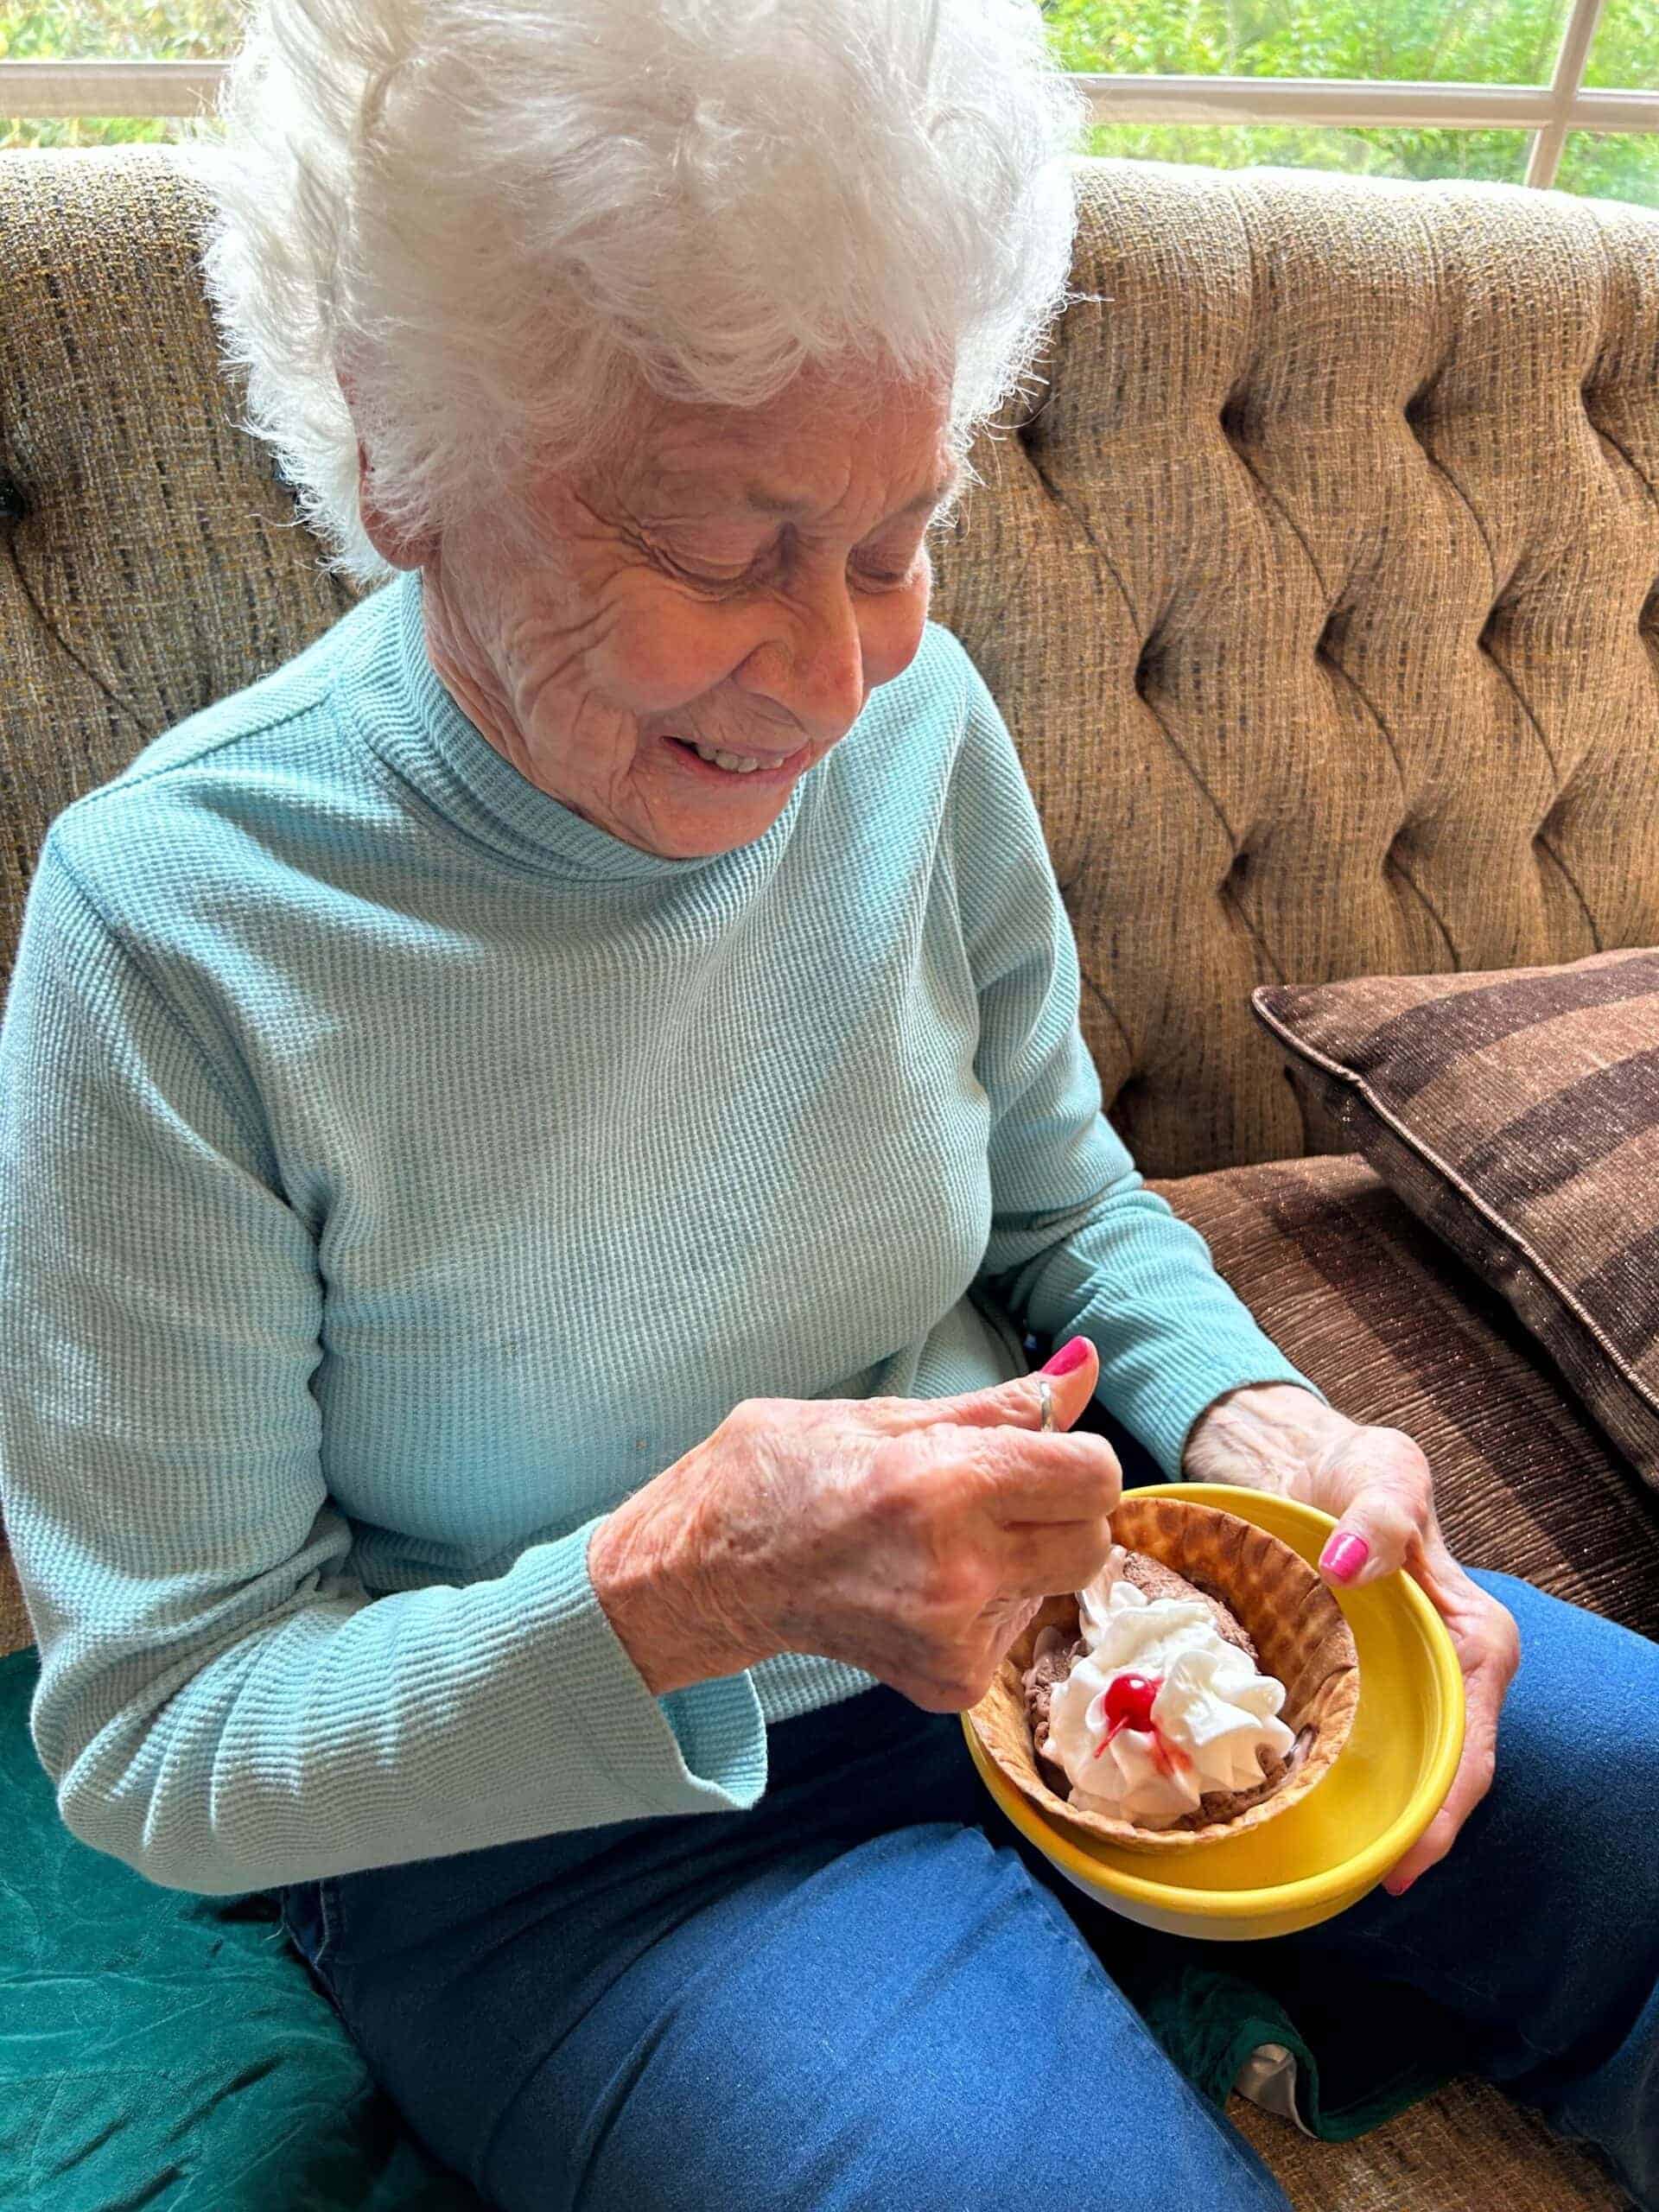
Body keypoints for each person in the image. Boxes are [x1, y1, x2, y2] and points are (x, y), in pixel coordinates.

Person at [0, 3, 1653, 2207]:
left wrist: (1257, 1418)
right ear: (404, 449)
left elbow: (1067, 1204)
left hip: (1072, 1605)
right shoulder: (175, 930)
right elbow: (161, 1733)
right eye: (720, 542)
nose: (839, 667)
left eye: (903, 527)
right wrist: (673, 1588)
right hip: (571, 1840)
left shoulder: (916, 716)